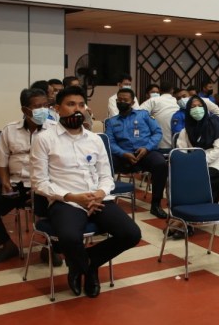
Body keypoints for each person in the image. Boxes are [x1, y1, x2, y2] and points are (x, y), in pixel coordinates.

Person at [31, 86, 141, 298]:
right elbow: (39, 182)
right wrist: (72, 197)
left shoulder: (94, 139)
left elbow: (106, 176)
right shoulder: (44, 139)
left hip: (97, 198)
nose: (77, 109)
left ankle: (86, 264)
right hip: (66, 200)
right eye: (71, 104)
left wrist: (100, 193)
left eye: (81, 105)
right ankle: (88, 270)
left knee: (131, 234)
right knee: (69, 237)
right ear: (57, 109)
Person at [0, 88, 61, 266]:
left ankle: (50, 247)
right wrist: (5, 182)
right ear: (25, 110)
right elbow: (0, 161)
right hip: (18, 184)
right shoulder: (10, 130)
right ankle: (7, 246)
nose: (43, 110)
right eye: (37, 106)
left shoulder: (56, 129)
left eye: (45, 105)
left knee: (61, 208)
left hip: (46, 185)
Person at [105, 88, 168, 218]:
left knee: (160, 164)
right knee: (104, 163)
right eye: (119, 100)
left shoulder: (143, 115)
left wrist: (147, 148)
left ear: (132, 102)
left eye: (125, 100)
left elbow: (157, 133)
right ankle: (106, 203)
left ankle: (156, 205)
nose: (121, 102)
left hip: (145, 152)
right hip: (123, 156)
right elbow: (110, 142)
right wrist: (123, 153)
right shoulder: (111, 122)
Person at [176, 96, 219, 203]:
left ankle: (210, 207)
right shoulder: (185, 131)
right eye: (193, 107)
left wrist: (200, 162)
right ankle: (190, 208)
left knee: (206, 176)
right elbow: (181, 152)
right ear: (188, 110)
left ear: (204, 108)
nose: (197, 109)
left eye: (200, 106)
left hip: (215, 164)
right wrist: (191, 163)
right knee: (185, 176)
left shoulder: (215, 126)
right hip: (192, 164)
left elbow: (218, 150)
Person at [139, 82, 179, 152]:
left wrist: (151, 118)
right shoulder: (178, 102)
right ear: (172, 90)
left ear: (160, 90)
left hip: (158, 145)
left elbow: (138, 114)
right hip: (179, 146)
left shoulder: (153, 100)